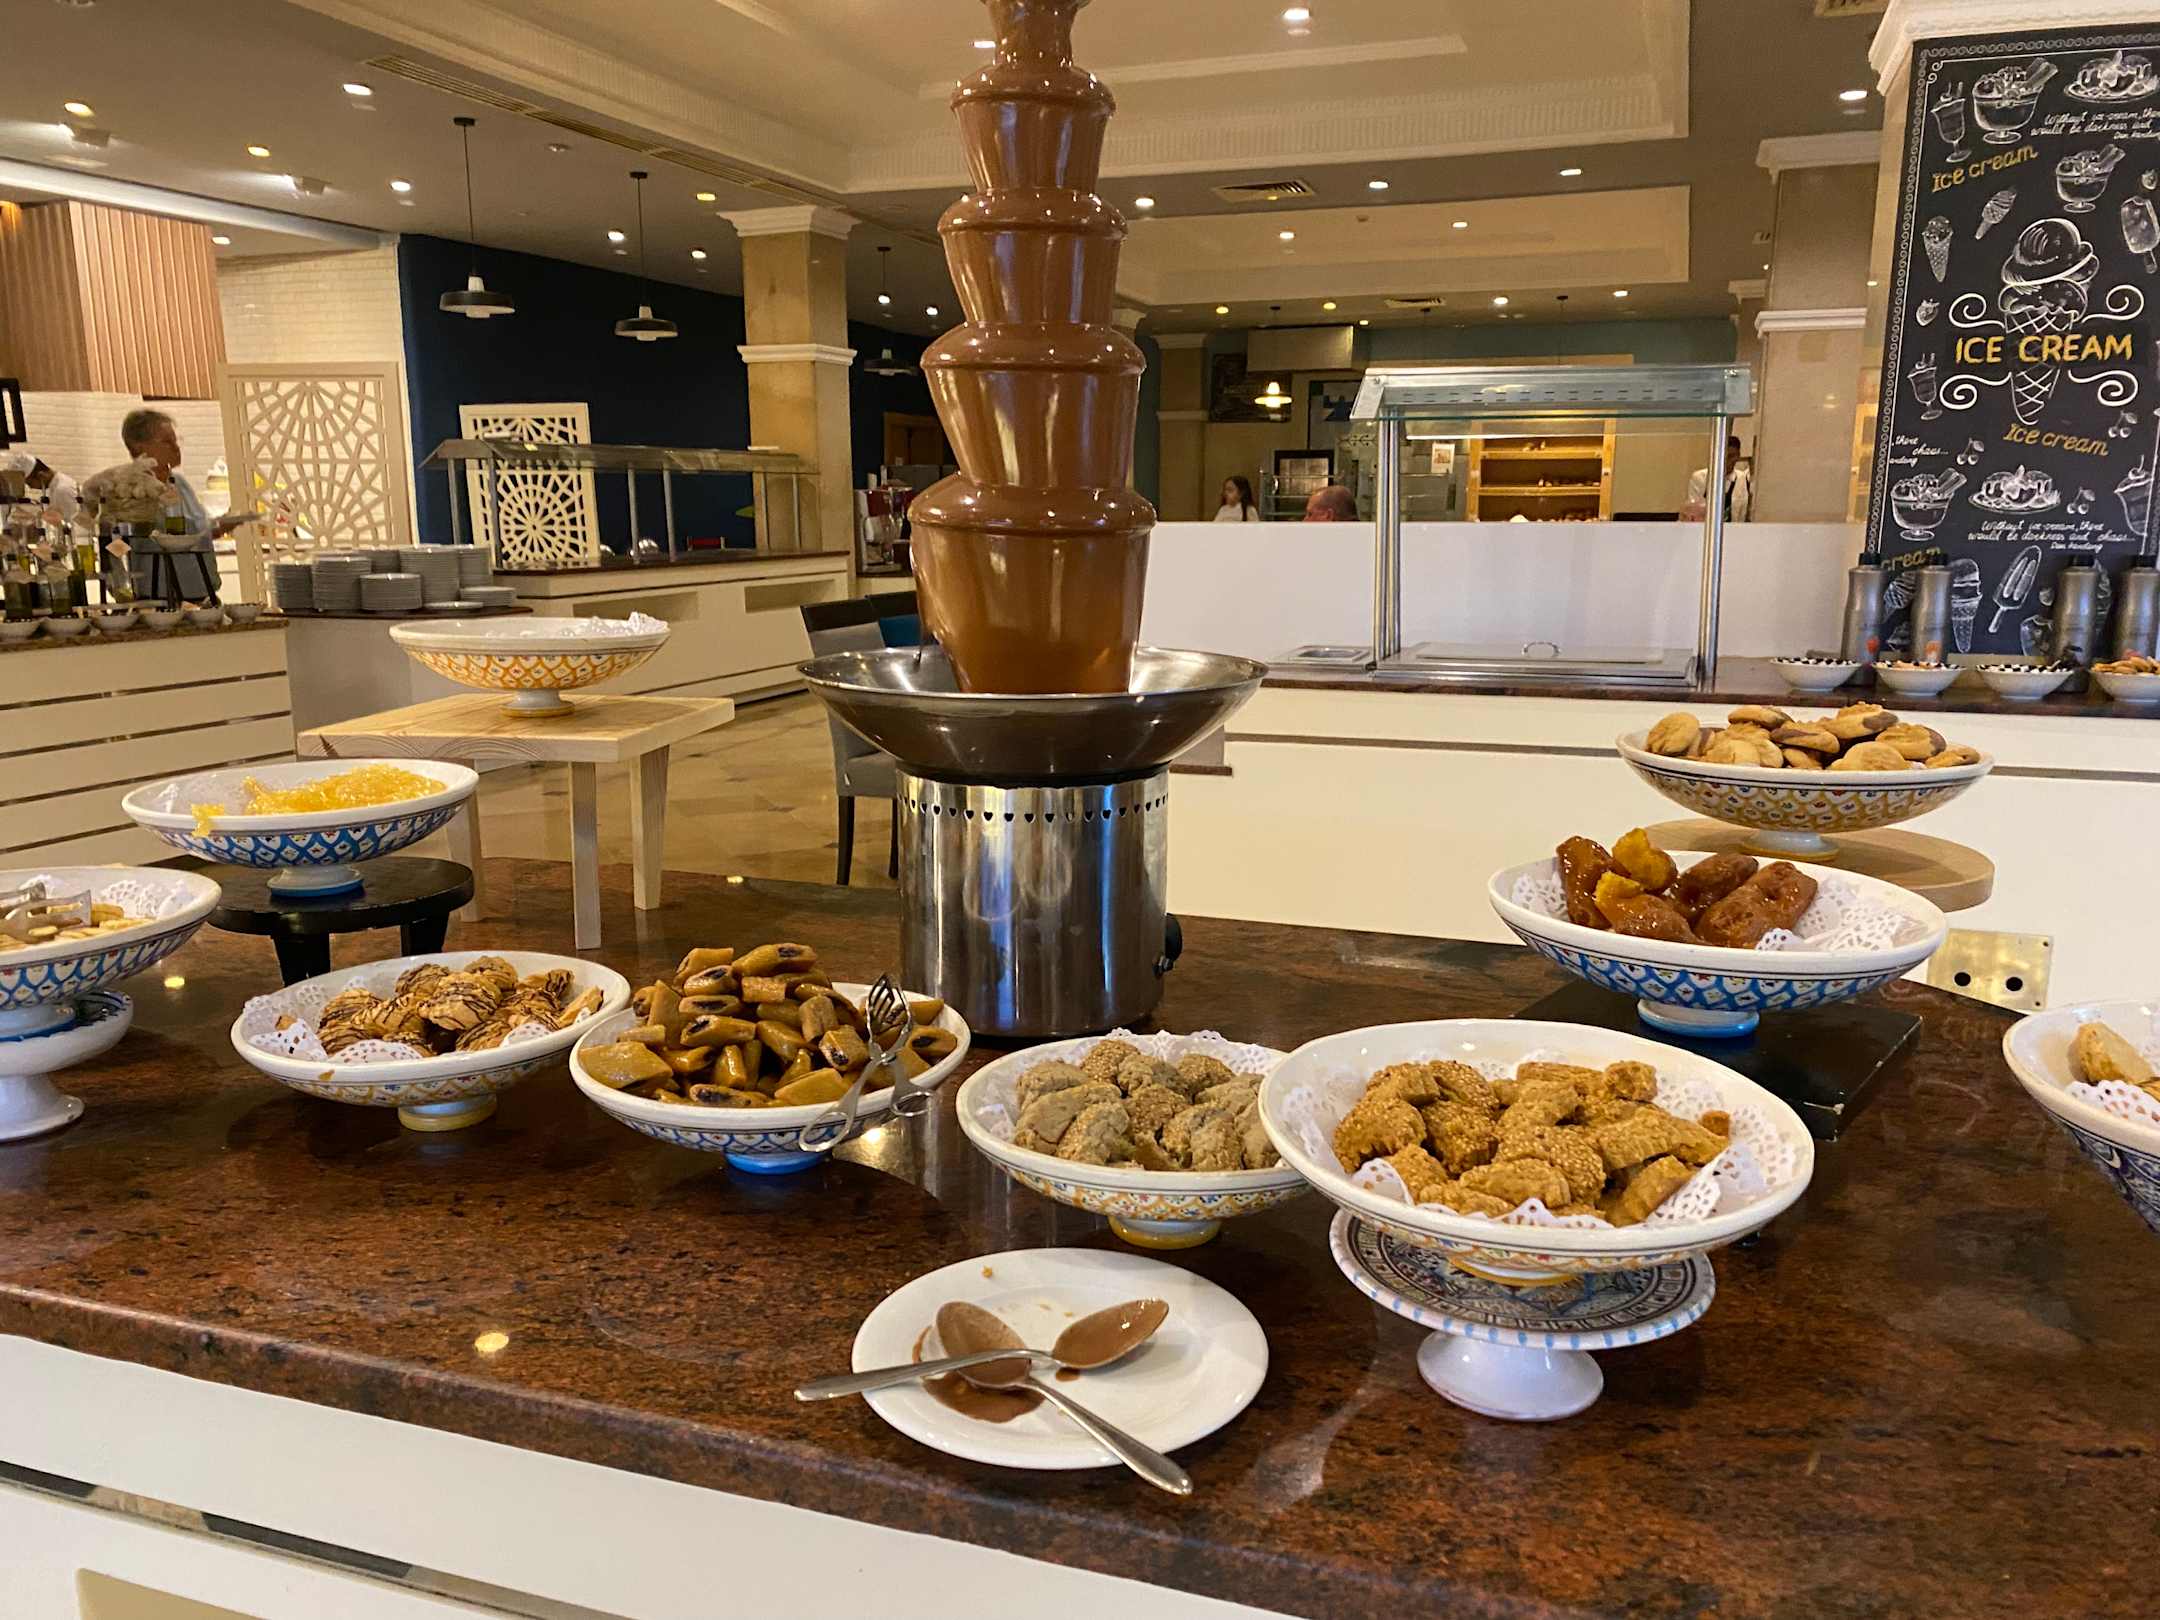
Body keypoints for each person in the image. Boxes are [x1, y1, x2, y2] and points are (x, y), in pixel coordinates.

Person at [119, 409, 249, 602]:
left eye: (176, 440)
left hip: (202, 592)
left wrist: (221, 525)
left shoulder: (179, 483)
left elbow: (197, 531)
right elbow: (115, 544)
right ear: (139, 448)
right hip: (158, 597)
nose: (176, 447)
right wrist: (120, 587)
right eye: (167, 442)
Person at [1683, 436, 1753, 522]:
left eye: (1731, 456)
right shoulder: (1700, 478)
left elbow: (1742, 514)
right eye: (1723, 456)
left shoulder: (1742, 479)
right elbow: (1693, 512)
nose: (1726, 460)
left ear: (1738, 456)